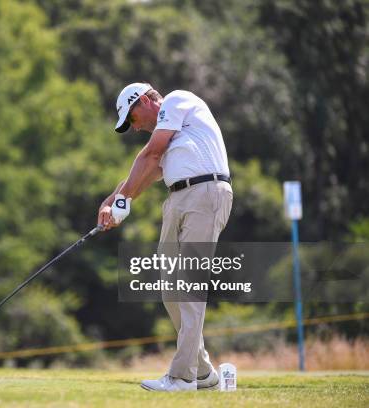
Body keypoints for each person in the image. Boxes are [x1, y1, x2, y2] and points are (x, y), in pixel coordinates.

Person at [97, 83, 233, 392]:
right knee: (170, 289)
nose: (135, 128)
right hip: (177, 199)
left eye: (132, 119)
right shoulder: (170, 137)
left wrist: (122, 202)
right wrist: (113, 199)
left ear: (144, 100)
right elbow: (150, 168)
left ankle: (182, 377)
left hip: (206, 192)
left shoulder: (176, 101)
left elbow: (150, 155)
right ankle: (203, 373)